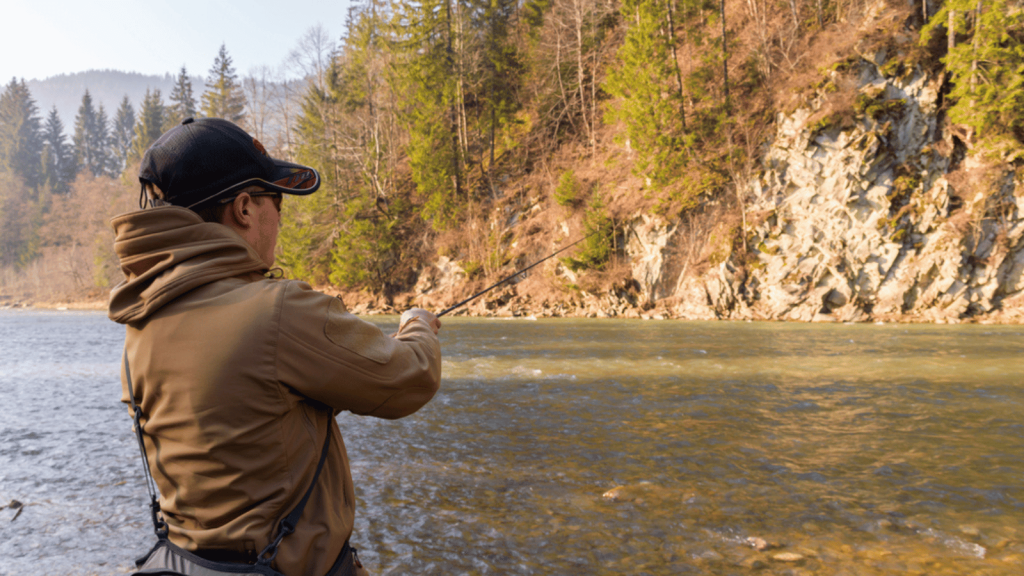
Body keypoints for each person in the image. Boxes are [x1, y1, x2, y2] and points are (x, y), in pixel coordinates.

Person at [109, 117, 442, 576]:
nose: (279, 216)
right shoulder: (279, 310)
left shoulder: (142, 324)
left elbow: (247, 423)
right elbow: (409, 376)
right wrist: (418, 325)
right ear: (245, 208)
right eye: (276, 201)